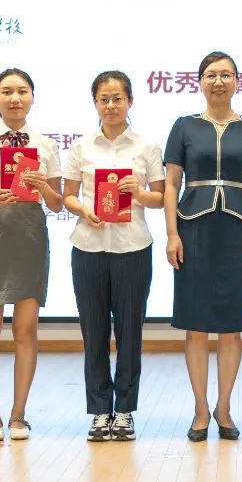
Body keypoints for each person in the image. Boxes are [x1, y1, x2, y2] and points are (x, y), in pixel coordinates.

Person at [164, 50, 242, 442]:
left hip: (238, 231)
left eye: (226, 75)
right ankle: (200, 409)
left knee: (230, 325)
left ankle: (224, 408)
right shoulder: (184, 126)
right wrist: (172, 233)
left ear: (238, 82)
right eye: (211, 75)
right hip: (193, 229)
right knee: (195, 325)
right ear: (200, 82)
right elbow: (171, 183)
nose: (219, 81)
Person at [0, 68, 63, 442]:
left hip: (30, 236)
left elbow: (57, 203)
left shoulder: (46, 145)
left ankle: (19, 415)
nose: (15, 98)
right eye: (7, 91)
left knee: (25, 328)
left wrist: (42, 186)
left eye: (22, 91)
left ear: (32, 97)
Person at [63, 71, 165, 442]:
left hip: (132, 247)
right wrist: (82, 209)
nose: (110, 105)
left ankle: (124, 410)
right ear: (95, 103)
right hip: (88, 247)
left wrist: (138, 192)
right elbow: (68, 195)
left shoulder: (146, 146)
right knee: (93, 332)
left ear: (130, 102)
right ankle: (98, 411)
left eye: (117, 98)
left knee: (129, 332)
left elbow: (160, 198)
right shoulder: (81, 147)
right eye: (104, 99)